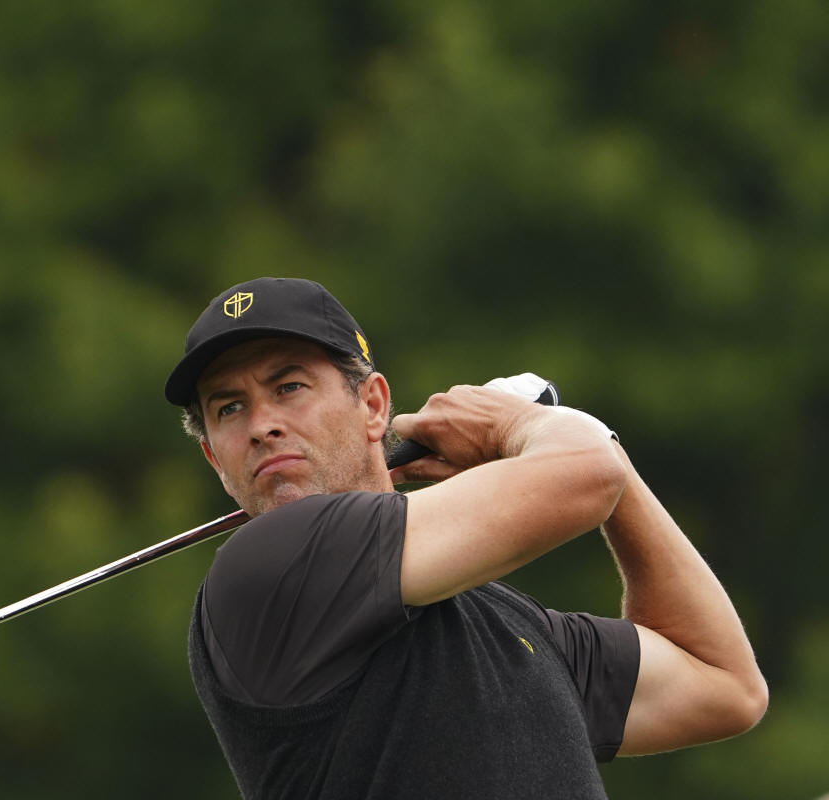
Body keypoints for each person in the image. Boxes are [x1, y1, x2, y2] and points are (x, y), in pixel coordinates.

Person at [163, 277, 768, 799]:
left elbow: (724, 684)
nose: (262, 425)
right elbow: (589, 475)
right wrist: (530, 426)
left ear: (372, 406)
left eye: (288, 387)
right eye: (229, 408)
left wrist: (601, 453)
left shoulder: (503, 620)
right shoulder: (265, 571)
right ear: (216, 460)